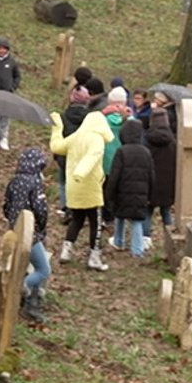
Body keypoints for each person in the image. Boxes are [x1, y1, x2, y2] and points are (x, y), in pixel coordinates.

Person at [50, 106, 113, 272]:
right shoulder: (96, 139)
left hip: (73, 187)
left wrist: (57, 127)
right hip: (90, 186)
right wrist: (81, 172)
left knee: (77, 220)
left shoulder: (75, 137)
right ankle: (94, 258)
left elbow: (57, 146)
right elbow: (93, 155)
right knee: (95, 223)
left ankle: (66, 251)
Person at [3, 147, 52, 323]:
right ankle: (20, 288)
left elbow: (6, 205)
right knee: (43, 269)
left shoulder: (14, 181)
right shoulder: (35, 182)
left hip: (14, 229)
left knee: (26, 266)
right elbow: (41, 209)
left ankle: (30, 304)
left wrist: (12, 220)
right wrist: (42, 226)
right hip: (31, 233)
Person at [105, 117, 154, 258]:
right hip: (141, 192)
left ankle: (119, 241)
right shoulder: (146, 152)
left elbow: (115, 174)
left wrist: (110, 194)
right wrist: (150, 194)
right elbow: (151, 175)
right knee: (137, 220)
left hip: (122, 192)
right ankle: (137, 250)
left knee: (120, 215)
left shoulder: (121, 151)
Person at [146, 109, 178, 229]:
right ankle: (169, 233)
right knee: (166, 211)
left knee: (147, 212)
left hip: (151, 183)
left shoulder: (147, 141)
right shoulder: (173, 142)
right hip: (167, 183)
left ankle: (145, 238)